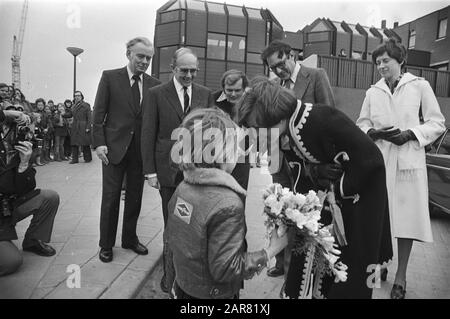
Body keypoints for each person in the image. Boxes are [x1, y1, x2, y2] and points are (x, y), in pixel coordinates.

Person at [238, 76, 393, 299]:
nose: (258, 132)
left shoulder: (323, 119)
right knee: (313, 268)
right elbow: (304, 170)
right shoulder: (289, 128)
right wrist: (314, 174)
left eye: (258, 126)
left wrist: (337, 187)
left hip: (358, 205)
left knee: (349, 272)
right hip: (327, 209)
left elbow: (372, 160)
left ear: (274, 117)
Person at [356, 38, 446, 299]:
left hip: (408, 164)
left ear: (400, 61)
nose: (381, 66)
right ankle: (379, 267)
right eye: (377, 63)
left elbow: (437, 123)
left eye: (386, 61)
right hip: (380, 163)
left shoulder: (420, 86)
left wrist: (410, 134)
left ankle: (401, 276)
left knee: (406, 224)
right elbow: (361, 123)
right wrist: (373, 132)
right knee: (378, 221)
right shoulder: (373, 91)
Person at [165, 107, 288, 299]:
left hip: (185, 287)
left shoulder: (184, 187)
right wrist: (271, 250)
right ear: (219, 152)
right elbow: (226, 269)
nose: (239, 151)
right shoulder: (228, 204)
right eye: (234, 145)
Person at [260, 40, 336, 278]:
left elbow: (328, 115)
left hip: (308, 160)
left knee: (307, 212)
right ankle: (281, 261)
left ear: (291, 55)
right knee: (279, 210)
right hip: (279, 159)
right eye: (274, 68)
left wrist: (325, 159)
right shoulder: (273, 85)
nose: (279, 70)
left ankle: (307, 264)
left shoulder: (315, 76)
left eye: (281, 63)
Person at [141, 47, 213, 292]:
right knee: (172, 224)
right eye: (184, 70)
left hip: (197, 174)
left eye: (194, 71)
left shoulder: (205, 94)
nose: (190, 75)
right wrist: (150, 172)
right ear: (173, 68)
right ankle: (169, 277)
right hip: (168, 173)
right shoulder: (156, 94)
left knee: (193, 224)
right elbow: (148, 133)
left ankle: (188, 277)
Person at [92, 37, 161, 263]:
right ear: (128, 54)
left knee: (135, 197)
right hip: (113, 150)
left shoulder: (154, 84)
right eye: (140, 56)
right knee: (110, 199)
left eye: (148, 58)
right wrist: (99, 142)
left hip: (139, 152)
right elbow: (98, 114)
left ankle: (129, 239)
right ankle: (106, 244)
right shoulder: (110, 77)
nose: (144, 61)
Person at [0, 109, 59, 276]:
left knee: (49, 197)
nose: (27, 134)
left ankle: (32, 241)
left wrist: (23, 164)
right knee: (11, 261)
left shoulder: (19, 149)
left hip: (7, 208)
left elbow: (27, 188)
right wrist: (7, 112)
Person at [213, 69, 250, 190]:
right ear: (223, 88)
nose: (233, 94)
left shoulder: (251, 102)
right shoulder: (212, 100)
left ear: (244, 88)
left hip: (241, 158)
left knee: (239, 196)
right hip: (216, 158)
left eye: (237, 90)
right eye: (229, 90)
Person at [67, 91, 92, 164]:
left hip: (83, 125)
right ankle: (75, 159)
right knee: (74, 142)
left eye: (78, 95)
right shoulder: (73, 106)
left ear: (81, 96)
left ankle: (88, 158)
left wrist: (88, 127)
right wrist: (63, 114)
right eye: (75, 96)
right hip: (75, 125)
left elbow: (89, 117)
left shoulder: (86, 105)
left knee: (85, 142)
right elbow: (70, 114)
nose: (77, 97)